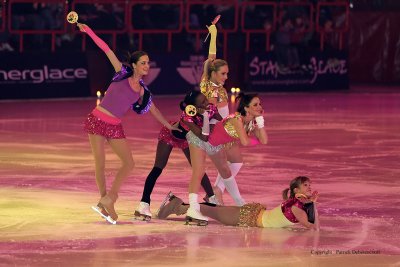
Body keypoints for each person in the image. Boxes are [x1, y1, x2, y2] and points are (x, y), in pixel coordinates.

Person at [79, 22, 178, 224]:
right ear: (133, 65)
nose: (146, 66)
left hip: (114, 125)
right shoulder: (120, 73)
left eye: (148, 63)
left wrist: (169, 126)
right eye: (143, 63)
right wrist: (89, 30)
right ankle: (105, 203)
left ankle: (109, 199)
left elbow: (155, 110)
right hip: (97, 120)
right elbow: (105, 48)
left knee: (129, 163)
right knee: (100, 163)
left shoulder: (142, 91)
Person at [134, 90, 222, 220]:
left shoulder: (211, 108)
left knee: (198, 169)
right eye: (202, 102)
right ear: (194, 107)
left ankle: (211, 197)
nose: (206, 103)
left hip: (188, 139)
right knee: (158, 167)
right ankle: (144, 204)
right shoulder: (188, 115)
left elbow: (222, 123)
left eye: (205, 99)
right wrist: (206, 117)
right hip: (171, 135)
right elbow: (203, 137)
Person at [185, 93, 268, 225]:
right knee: (199, 171)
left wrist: (260, 121)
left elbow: (264, 140)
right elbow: (246, 142)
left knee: (226, 171)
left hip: (215, 144)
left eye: (260, 104)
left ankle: (240, 203)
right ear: (246, 108)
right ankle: (192, 208)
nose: (259, 107)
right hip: (200, 139)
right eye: (255, 105)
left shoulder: (251, 122)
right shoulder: (237, 120)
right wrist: (255, 134)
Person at [158, 176, 320, 230]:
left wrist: (311, 202)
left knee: (213, 210)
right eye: (306, 185)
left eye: (309, 185)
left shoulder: (295, 201)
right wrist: (313, 203)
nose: (309, 187)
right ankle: (176, 204)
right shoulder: (296, 205)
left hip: (252, 214)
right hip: (247, 217)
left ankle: (178, 205)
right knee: (212, 211)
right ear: (296, 189)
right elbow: (313, 227)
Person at [200, 23, 245, 206]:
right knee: (227, 168)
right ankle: (239, 203)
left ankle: (217, 190)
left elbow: (212, 58)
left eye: (227, 73)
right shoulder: (213, 91)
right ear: (214, 73)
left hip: (224, 130)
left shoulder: (209, 80)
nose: (226, 77)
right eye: (224, 74)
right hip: (216, 132)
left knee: (235, 163)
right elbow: (210, 115)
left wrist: (214, 33)